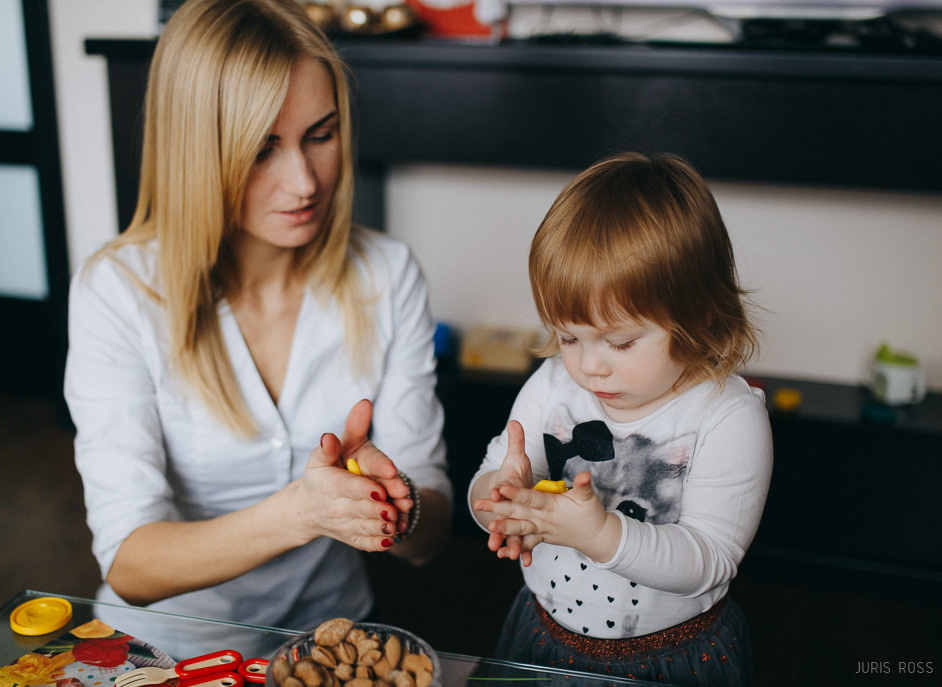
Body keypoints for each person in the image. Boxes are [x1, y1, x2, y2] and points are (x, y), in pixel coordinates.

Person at [64, 0, 451, 655]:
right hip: (166, 652)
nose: (303, 182)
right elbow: (129, 565)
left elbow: (430, 537)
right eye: (261, 148)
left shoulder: (387, 274)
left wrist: (397, 503)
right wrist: (303, 510)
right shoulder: (120, 290)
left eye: (320, 135)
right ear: (194, 150)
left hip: (331, 641)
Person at [469, 152, 772, 685]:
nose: (588, 365)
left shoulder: (727, 417)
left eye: (621, 341)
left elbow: (710, 559)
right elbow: (492, 475)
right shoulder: (551, 385)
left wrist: (602, 534)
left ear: (698, 315)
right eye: (568, 337)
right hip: (543, 636)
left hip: (669, 658)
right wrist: (498, 495)